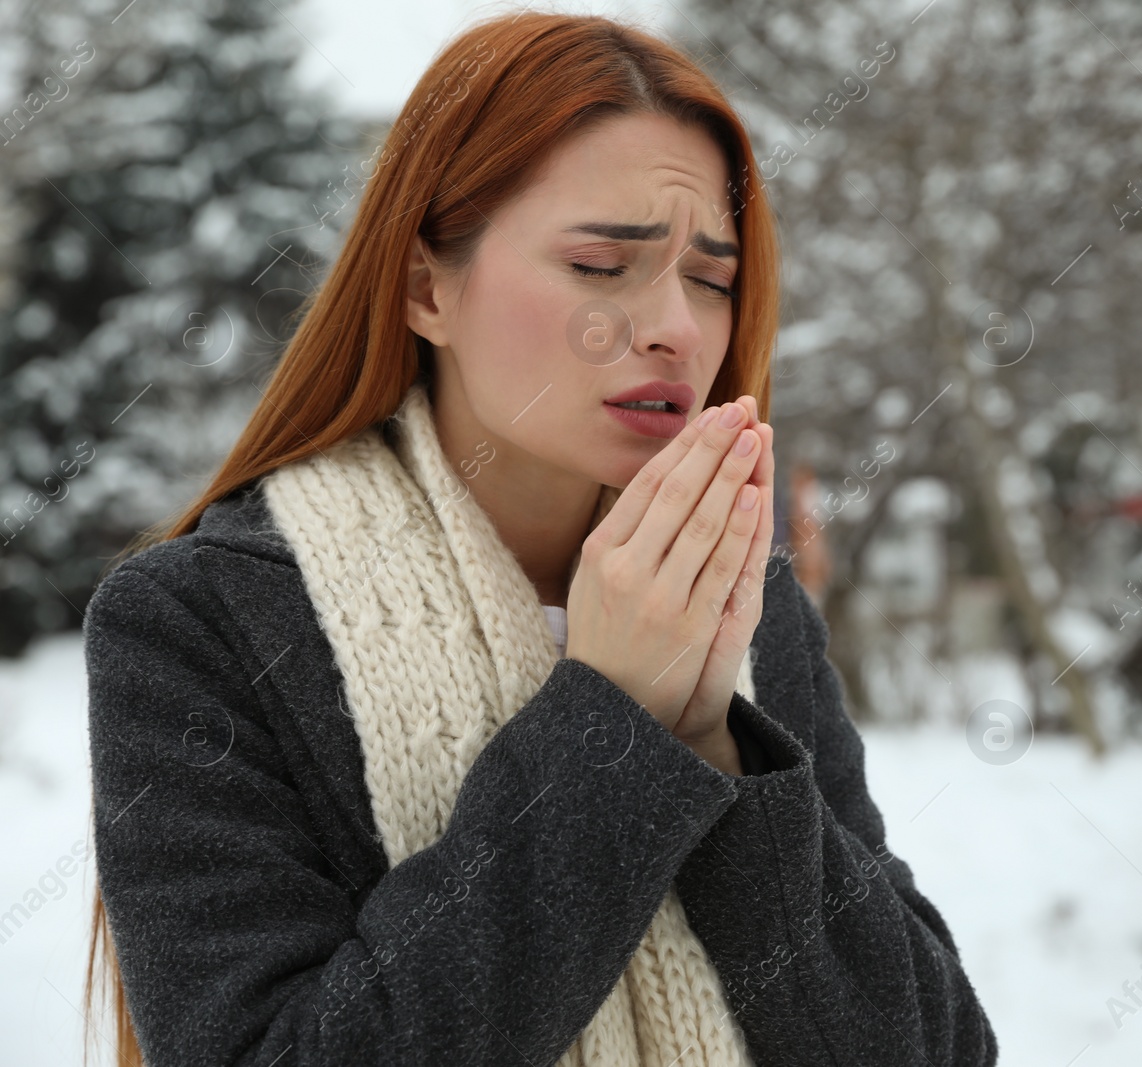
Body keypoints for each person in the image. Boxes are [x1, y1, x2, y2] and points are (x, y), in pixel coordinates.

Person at [82, 11, 997, 1066]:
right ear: (428, 286)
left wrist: (711, 739)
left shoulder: (744, 601)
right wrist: (614, 727)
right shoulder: (203, 622)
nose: (677, 328)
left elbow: (929, 1050)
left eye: (711, 276)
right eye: (603, 262)